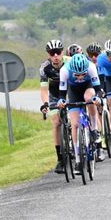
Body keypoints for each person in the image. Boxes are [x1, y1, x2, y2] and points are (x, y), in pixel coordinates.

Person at [57, 54, 102, 175]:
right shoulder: (64, 70)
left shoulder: (91, 67)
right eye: (77, 75)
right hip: (74, 91)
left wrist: (97, 98)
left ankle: (95, 129)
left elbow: (98, 89)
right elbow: (62, 93)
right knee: (75, 124)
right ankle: (78, 160)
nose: (81, 77)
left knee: (89, 98)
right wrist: (61, 101)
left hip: (88, 88)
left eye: (83, 74)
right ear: (72, 71)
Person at [39, 39, 69, 174]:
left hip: (70, 91)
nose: (55, 56)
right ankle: (60, 159)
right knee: (56, 123)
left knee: (75, 118)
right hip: (54, 94)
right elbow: (44, 89)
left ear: (62, 52)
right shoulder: (45, 67)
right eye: (52, 53)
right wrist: (45, 104)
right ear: (49, 54)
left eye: (58, 52)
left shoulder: (69, 62)